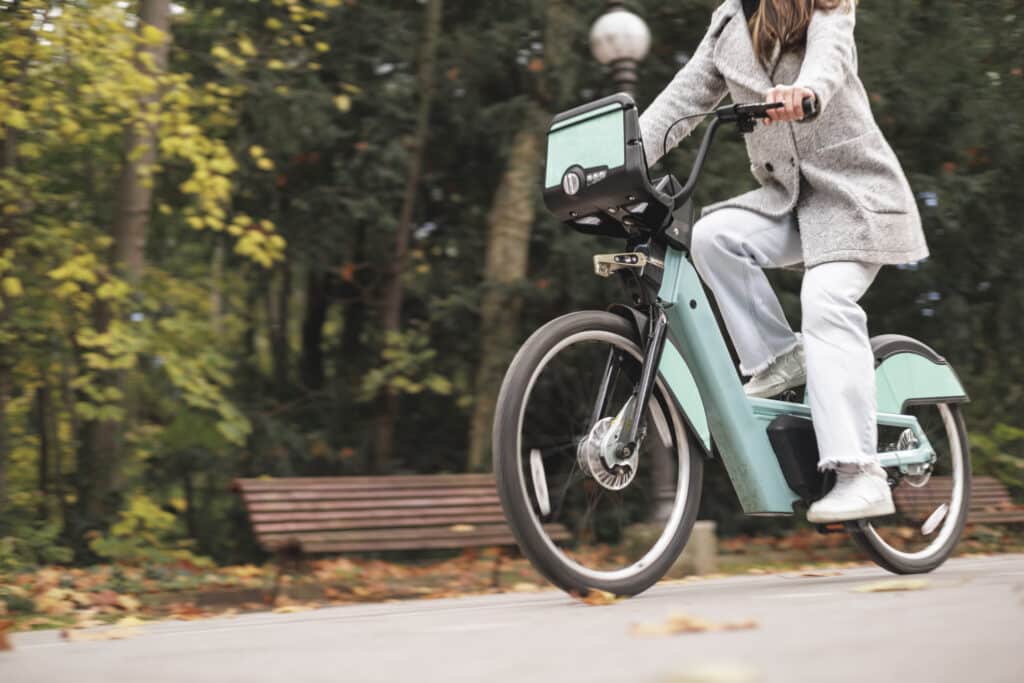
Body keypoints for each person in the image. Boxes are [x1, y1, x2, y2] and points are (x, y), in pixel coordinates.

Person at [639, 0, 929, 523]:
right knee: (714, 236)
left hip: (854, 199)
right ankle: (776, 359)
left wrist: (807, 91)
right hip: (790, 201)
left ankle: (860, 473)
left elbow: (830, 57)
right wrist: (624, 151)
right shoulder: (729, 23)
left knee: (824, 301)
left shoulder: (827, 8)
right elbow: (681, 101)